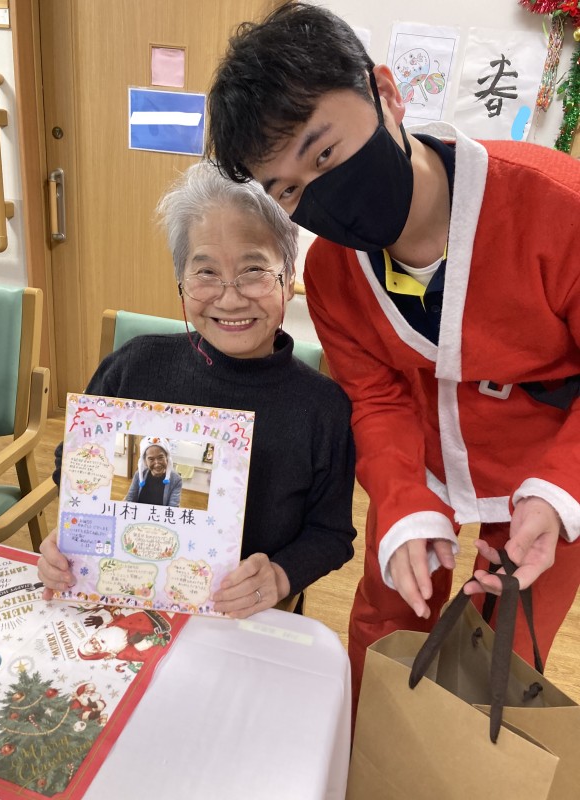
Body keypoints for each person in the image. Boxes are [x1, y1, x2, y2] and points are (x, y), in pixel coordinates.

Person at [206, 2, 580, 712]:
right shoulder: (332, 274)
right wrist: (404, 503)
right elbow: (375, 398)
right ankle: (367, 745)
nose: (319, 193)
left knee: (511, 633)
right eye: (289, 190)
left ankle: (477, 753)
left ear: (385, 92)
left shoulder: (557, 205)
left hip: (550, 450)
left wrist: (561, 490)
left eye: (323, 154)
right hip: (421, 451)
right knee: (390, 609)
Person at [38, 161, 356, 618]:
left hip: (246, 616)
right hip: (125, 599)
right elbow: (72, 464)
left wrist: (280, 575)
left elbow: (331, 533)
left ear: (288, 280)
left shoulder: (323, 407)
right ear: (181, 284)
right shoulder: (134, 367)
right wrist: (72, 536)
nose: (230, 297)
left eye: (253, 269)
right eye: (205, 273)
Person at [125, 435, 182, 507]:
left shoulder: (176, 479)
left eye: (160, 457)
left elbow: (173, 506)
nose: (157, 464)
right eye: (151, 459)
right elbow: (130, 498)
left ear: (167, 458)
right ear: (145, 461)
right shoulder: (139, 475)